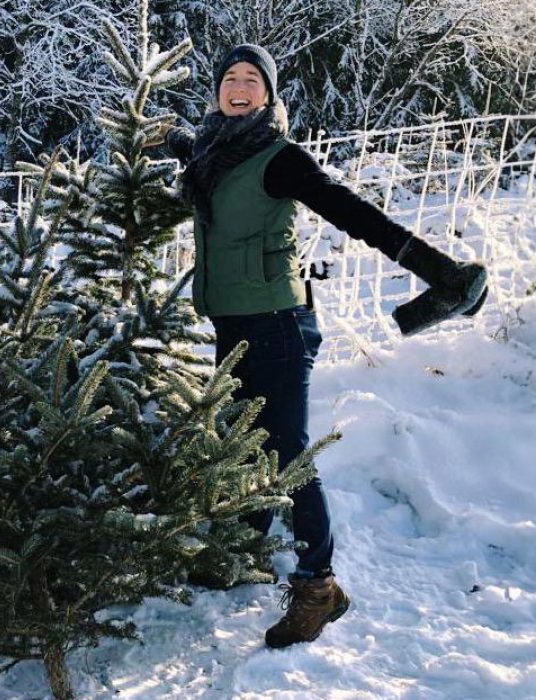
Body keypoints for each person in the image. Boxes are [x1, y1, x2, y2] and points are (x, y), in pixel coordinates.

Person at [152, 44, 487, 649]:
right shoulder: (212, 150)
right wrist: (169, 134)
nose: (239, 86)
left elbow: (353, 213)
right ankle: (248, 549)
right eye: (230, 77)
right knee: (240, 441)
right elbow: (190, 150)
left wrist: (434, 268)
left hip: (278, 323)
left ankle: (318, 587)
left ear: (269, 95)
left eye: (252, 79)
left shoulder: (279, 160)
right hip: (232, 321)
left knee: (286, 456)